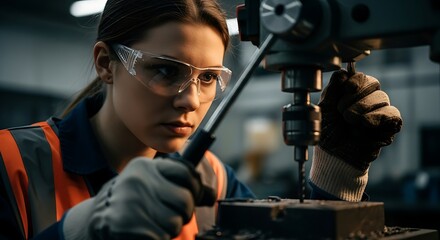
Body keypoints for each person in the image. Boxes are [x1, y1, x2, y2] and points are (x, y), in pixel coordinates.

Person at [0, 0, 403, 239]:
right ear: (107, 64)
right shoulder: (12, 162)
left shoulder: (212, 178)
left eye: (208, 77)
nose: (191, 100)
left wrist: (338, 174)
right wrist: (82, 229)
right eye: (165, 70)